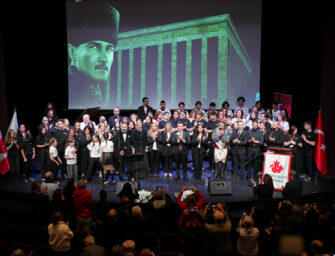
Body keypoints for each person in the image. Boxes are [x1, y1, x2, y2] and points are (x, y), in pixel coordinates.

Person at [67, 0, 119, 108]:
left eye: (109, 49)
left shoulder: (92, 89)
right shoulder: (75, 91)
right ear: (72, 52)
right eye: (95, 46)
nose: (104, 58)